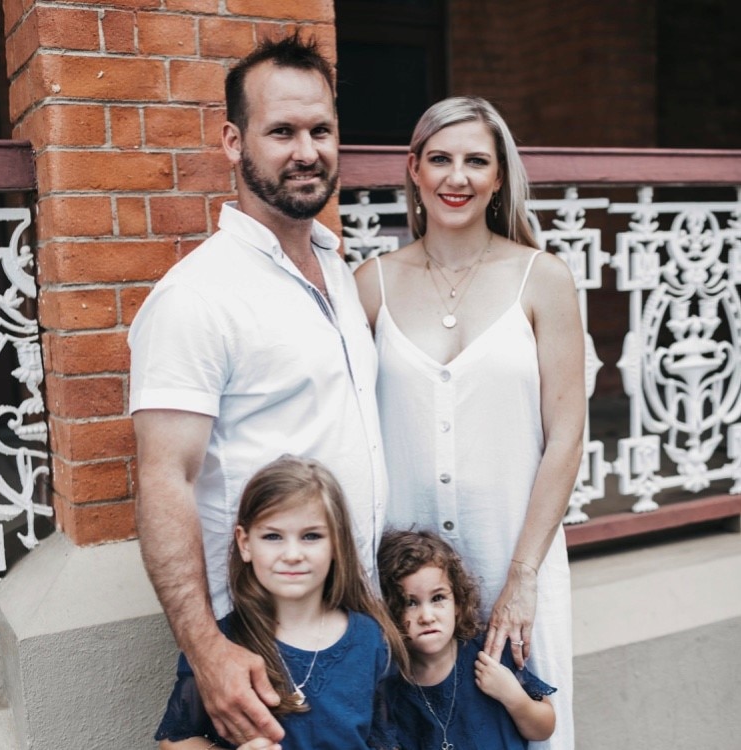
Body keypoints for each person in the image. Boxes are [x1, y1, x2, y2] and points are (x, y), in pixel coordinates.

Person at [128, 33, 387, 747]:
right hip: (256, 648)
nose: (307, 150)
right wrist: (209, 651)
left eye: (321, 130)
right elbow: (164, 479)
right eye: (282, 132)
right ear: (233, 142)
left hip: (349, 627)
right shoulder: (197, 297)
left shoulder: (338, 270)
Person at [354, 96, 585, 750]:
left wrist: (522, 577)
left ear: (499, 177)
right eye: (441, 159)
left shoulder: (543, 280)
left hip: (517, 549)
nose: (457, 176)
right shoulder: (369, 284)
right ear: (415, 171)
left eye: (476, 161)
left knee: (529, 727)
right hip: (411, 585)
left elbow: (566, 436)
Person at [155, 455, 407, 749]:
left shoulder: (371, 639)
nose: (292, 554)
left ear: (337, 544)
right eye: (273, 536)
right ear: (245, 544)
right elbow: (175, 741)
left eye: (311, 536)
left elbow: (388, 738)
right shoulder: (222, 645)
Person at [377, 530, 556, 749]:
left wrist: (513, 697)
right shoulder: (394, 686)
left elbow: (544, 728)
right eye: (410, 603)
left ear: (458, 604)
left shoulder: (490, 655)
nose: (427, 616)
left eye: (438, 598)